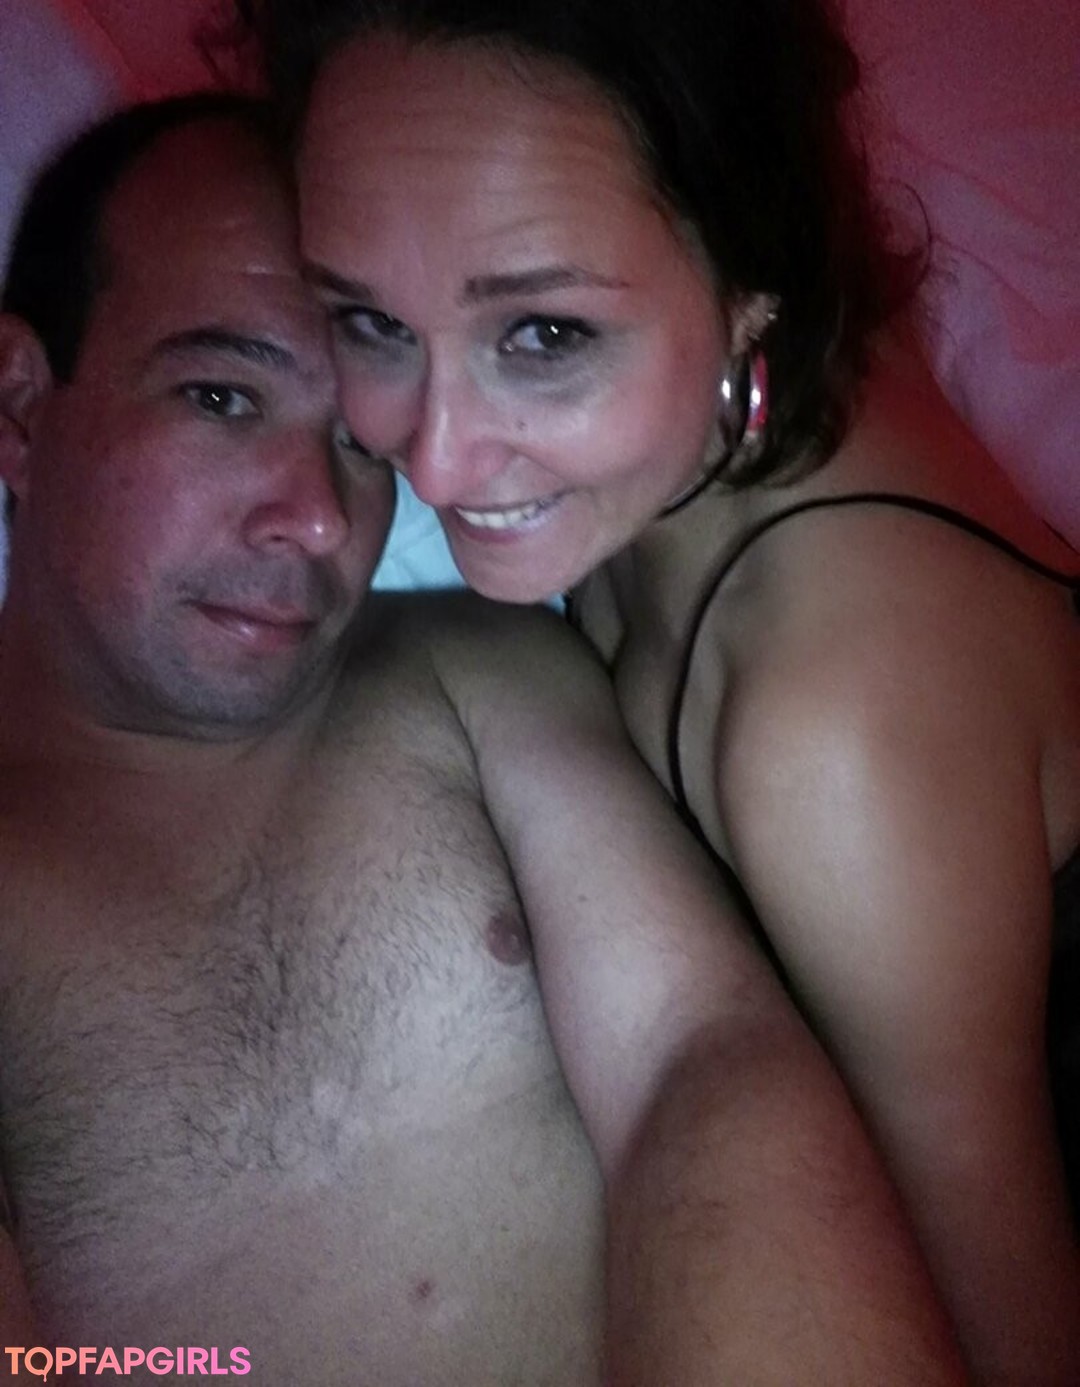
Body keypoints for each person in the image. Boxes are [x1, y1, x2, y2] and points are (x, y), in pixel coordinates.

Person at [0, 94, 966, 1385]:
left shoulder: (472, 670)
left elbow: (702, 1059)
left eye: (359, 442)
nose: (318, 518)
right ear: (21, 405)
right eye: (222, 397)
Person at [237, 0, 1080, 1378]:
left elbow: (1010, 1340)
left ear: (752, 281)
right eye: (370, 321)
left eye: (543, 335)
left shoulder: (833, 738)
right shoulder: (708, 406)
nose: (436, 461)